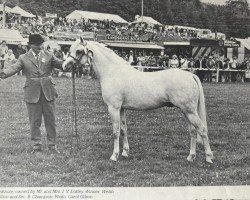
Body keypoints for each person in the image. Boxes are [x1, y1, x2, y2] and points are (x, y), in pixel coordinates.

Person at [0, 34, 63, 154]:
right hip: (32, 93)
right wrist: (3, 73)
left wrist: (72, 62)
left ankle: (52, 146)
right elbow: (14, 68)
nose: (40, 46)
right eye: (37, 44)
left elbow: (61, 64)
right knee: (34, 121)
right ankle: (36, 146)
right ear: (30, 45)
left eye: (41, 44)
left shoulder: (49, 55)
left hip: (48, 92)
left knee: (51, 120)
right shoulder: (23, 57)